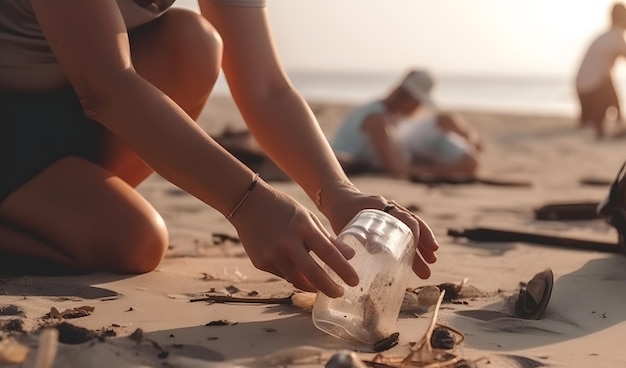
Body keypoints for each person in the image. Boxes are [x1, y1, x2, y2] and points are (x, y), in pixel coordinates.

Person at [0, 0, 439, 298]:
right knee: (134, 239)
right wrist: (246, 202)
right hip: (42, 104)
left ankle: (68, 205)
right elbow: (106, 86)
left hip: (57, 107)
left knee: (192, 42)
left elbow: (265, 88)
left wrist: (337, 191)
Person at [331, 69, 480, 182]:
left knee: (445, 121)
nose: (419, 107)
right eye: (417, 102)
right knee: (464, 159)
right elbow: (394, 169)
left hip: (369, 162)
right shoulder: (377, 119)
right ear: (408, 98)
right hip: (348, 165)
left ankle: (472, 144)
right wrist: (446, 170)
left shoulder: (387, 114)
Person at [574, 2, 626, 139]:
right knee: (607, 80)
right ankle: (617, 123)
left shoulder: (603, 37)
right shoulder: (616, 37)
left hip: (581, 90)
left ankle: (592, 118)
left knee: (606, 76)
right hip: (594, 90)